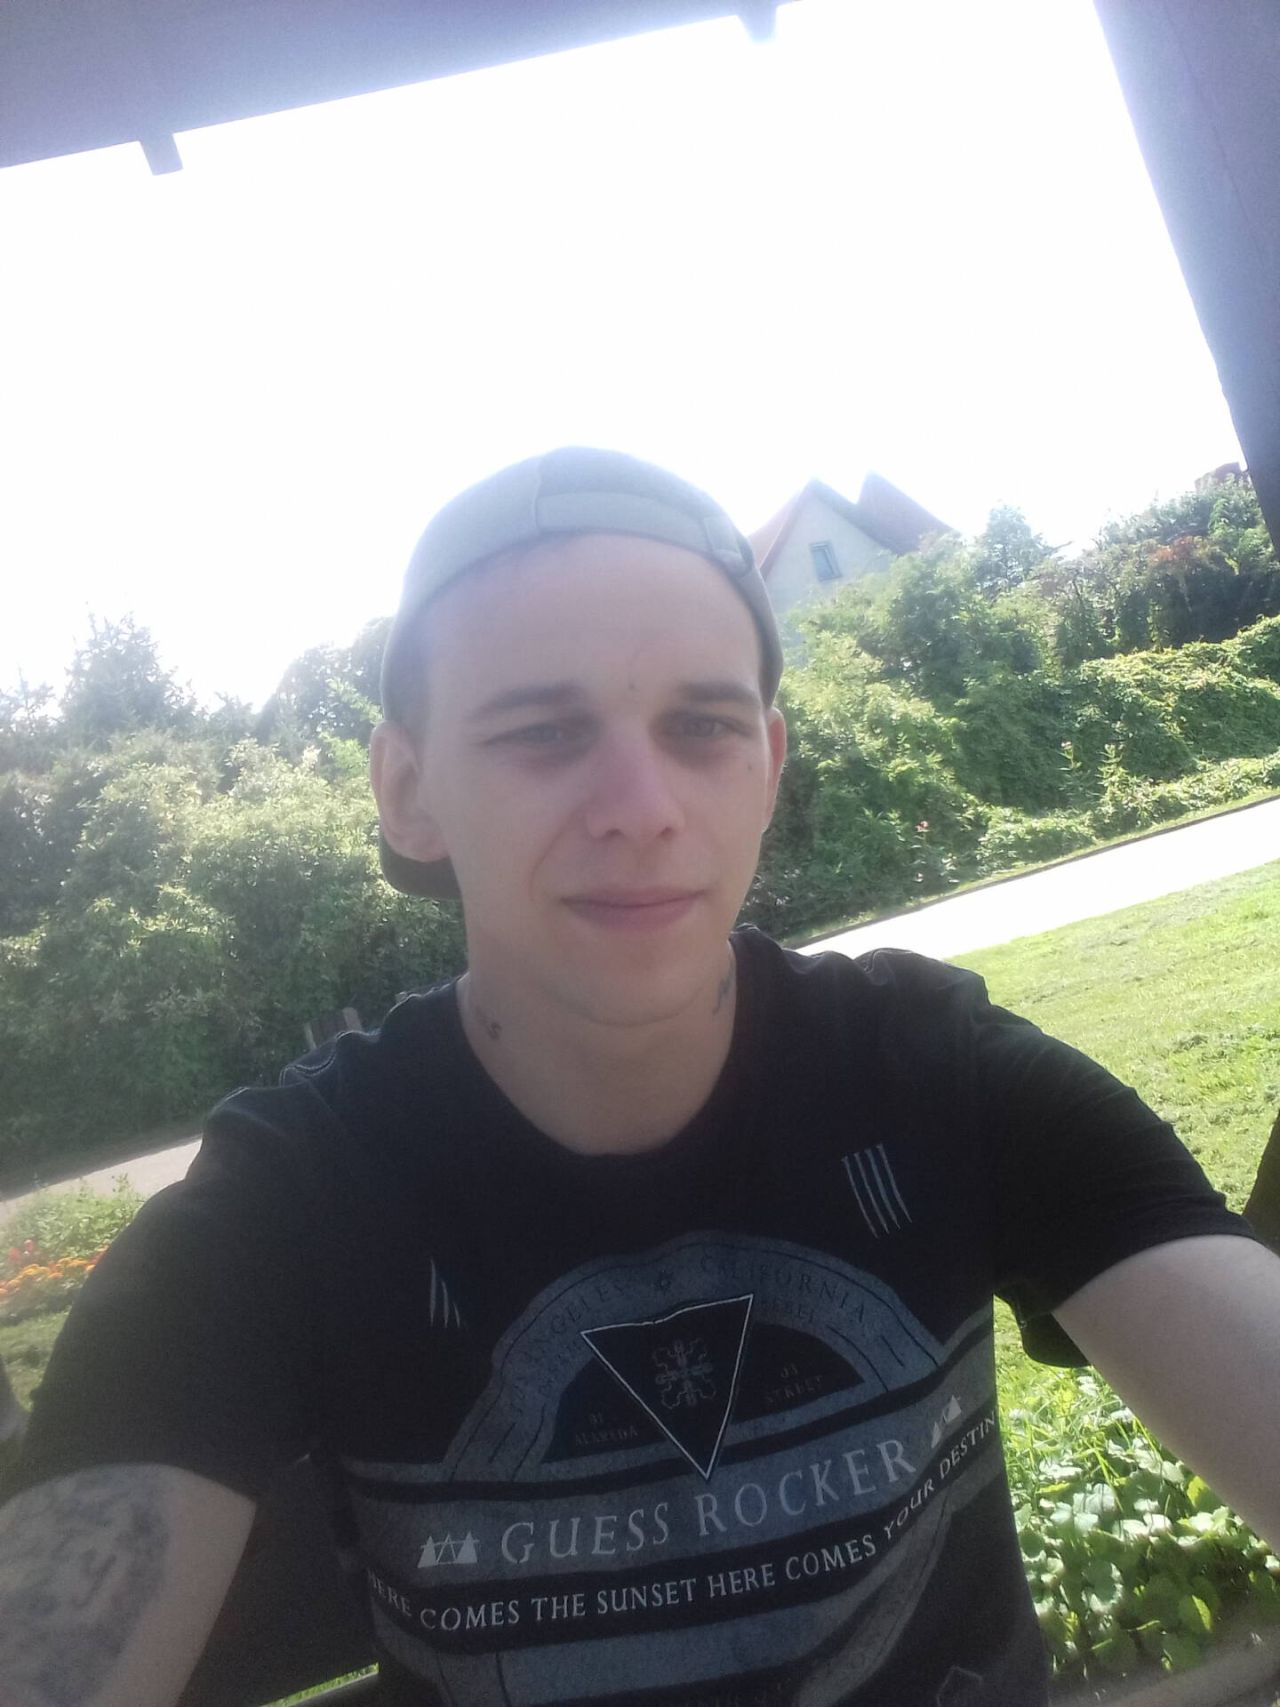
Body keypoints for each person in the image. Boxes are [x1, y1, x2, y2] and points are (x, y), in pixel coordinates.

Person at [1, 447, 1277, 1707]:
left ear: (766, 763)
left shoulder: (941, 1078)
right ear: (408, 791)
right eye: (543, 732)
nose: (640, 804)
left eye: (701, 727)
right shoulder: (286, 1209)